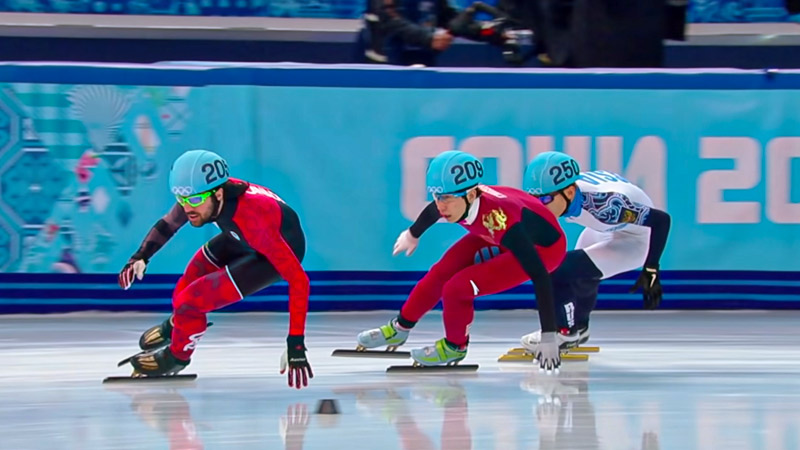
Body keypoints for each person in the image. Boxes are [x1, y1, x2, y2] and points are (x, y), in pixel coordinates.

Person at [117, 149, 313, 389]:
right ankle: (182, 325)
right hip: (241, 236)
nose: (187, 208)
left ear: (219, 194)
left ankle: (177, 357)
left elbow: (300, 281)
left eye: (195, 200)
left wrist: (296, 344)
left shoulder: (253, 217)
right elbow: (169, 223)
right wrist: (141, 256)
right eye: (181, 199)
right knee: (187, 282)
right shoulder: (203, 193)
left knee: (192, 301)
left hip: (272, 249)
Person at [356, 150, 567, 370]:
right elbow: (433, 211)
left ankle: (455, 346)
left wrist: (549, 334)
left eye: (446, 198)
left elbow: (540, 276)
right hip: (501, 234)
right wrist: (412, 234)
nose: (441, 206)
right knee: (441, 271)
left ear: (472, 195)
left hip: (544, 250)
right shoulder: (458, 201)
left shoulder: (499, 220)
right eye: (437, 196)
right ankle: (399, 328)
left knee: (458, 288)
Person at [519, 151, 671, 351]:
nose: (538, 207)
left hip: (636, 240)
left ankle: (564, 333)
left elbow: (661, 220)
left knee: (559, 269)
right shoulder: (563, 190)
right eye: (533, 199)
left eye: (545, 200)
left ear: (570, 193)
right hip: (606, 228)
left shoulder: (606, 206)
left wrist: (651, 268)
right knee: (579, 275)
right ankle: (579, 327)